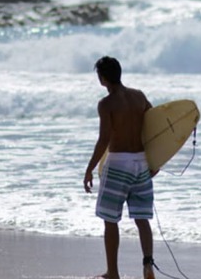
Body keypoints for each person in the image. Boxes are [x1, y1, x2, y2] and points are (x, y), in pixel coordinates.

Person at [83, 56, 156, 279]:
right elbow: (156, 126)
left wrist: (89, 169)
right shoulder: (139, 96)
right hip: (141, 163)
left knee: (110, 219)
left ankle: (113, 272)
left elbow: (104, 139)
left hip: (118, 165)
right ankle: (147, 265)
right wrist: (156, 161)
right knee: (142, 219)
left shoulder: (106, 104)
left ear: (102, 78)